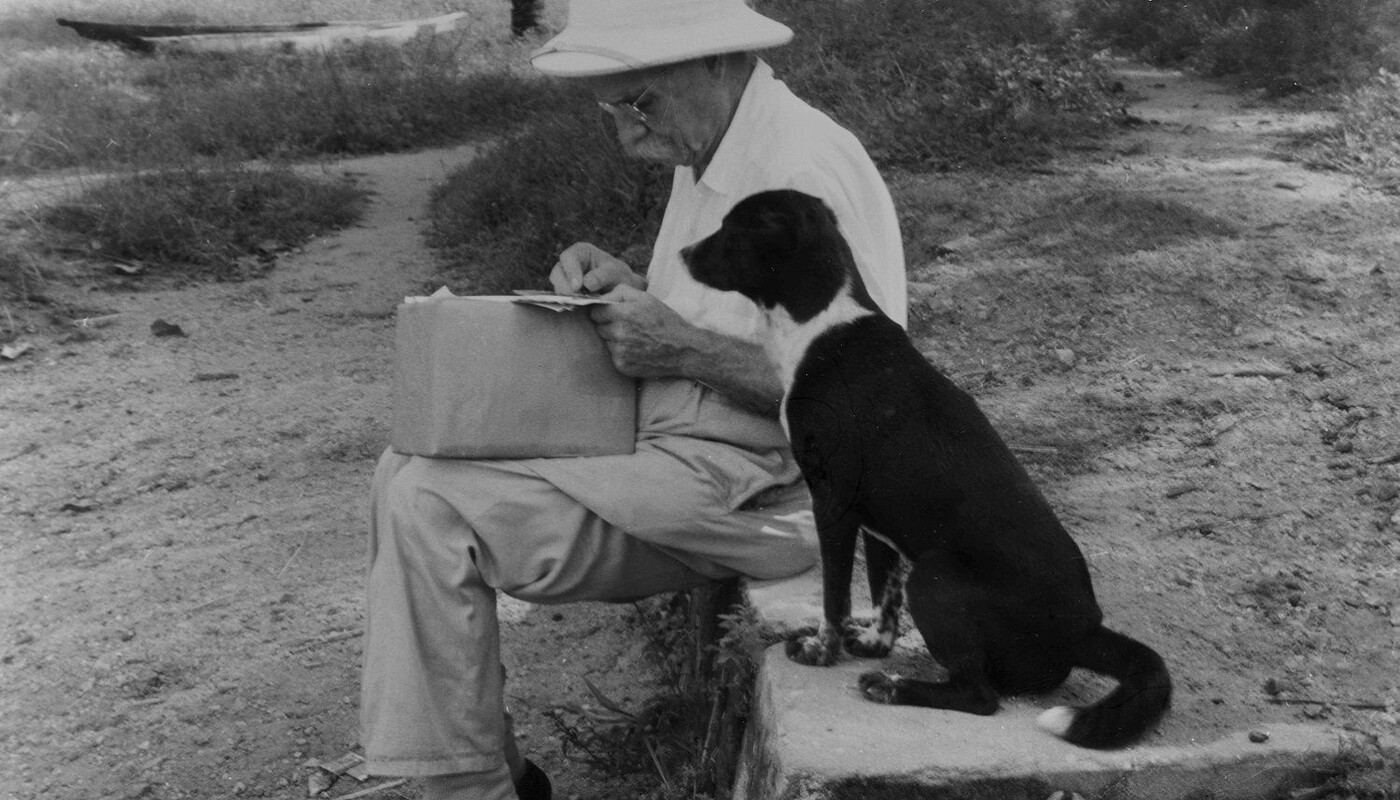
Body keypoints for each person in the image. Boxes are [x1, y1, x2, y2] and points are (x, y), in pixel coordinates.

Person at [359, 0, 908, 797]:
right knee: (403, 464)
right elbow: (747, 318)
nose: (625, 135)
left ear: (717, 58)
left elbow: (868, 395)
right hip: (690, 450)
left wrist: (679, 346)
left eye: (640, 103)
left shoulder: (800, 170)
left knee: (431, 506)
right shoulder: (719, 145)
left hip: (770, 491)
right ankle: (479, 766)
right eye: (611, 109)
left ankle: (462, 786)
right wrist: (636, 287)